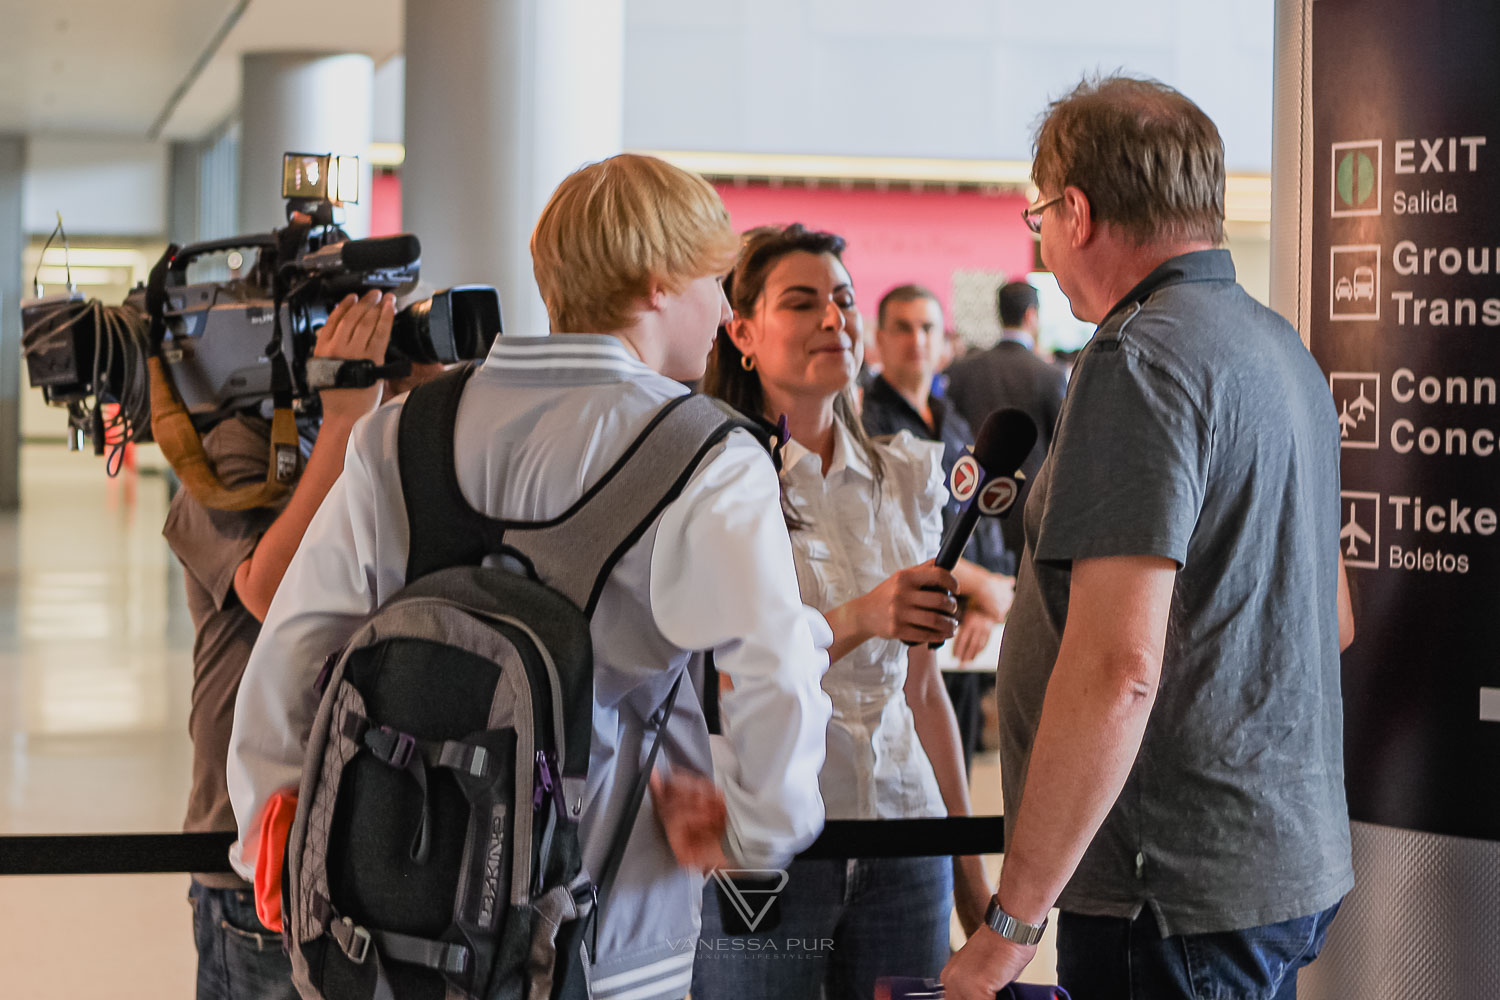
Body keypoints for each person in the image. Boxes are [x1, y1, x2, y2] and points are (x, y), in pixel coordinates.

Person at [225, 154, 833, 1000]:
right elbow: (774, 670)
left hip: (402, 925)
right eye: (715, 280)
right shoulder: (707, 455)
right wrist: (763, 829)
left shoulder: (404, 432)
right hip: (609, 932)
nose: (723, 309)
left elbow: (295, 647)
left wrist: (271, 824)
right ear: (659, 281)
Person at [942, 75, 1356, 1000]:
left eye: (1037, 218)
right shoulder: (1280, 349)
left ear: (1076, 211)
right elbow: (1330, 619)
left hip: (1168, 896)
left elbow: (1116, 670)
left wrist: (1009, 925)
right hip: (1269, 872)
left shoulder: (1138, 358)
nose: (1041, 251)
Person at [693, 224, 992, 1000]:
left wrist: (969, 873)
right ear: (743, 333)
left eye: (845, 300)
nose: (835, 318)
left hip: (906, 841)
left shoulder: (908, 477)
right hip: (767, 850)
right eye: (803, 302)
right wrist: (862, 615)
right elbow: (716, 679)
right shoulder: (716, 482)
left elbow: (923, 694)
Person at [164, 286, 424, 1000]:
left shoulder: (380, 446)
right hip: (258, 845)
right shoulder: (227, 456)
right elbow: (271, 593)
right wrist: (345, 421)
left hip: (364, 829)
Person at [861, 283, 1016, 773]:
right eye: (902, 328)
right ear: (879, 339)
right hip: (899, 644)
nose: (917, 340)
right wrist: (985, 587)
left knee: (958, 778)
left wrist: (983, 606)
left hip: (963, 637)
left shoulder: (952, 421)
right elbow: (890, 540)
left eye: (927, 327)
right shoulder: (866, 424)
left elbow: (981, 521)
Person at [944, 280, 1067, 559]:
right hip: (1029, 506)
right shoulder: (1050, 376)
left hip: (969, 498)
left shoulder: (962, 370)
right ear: (1031, 316)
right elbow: (1060, 446)